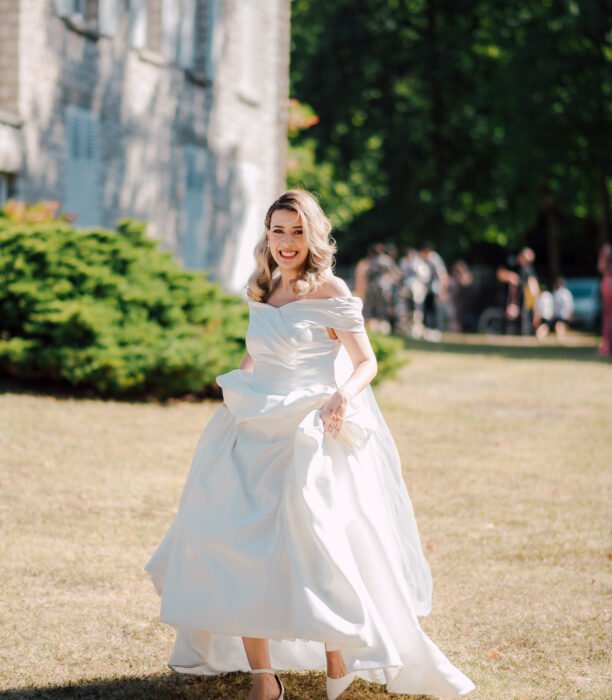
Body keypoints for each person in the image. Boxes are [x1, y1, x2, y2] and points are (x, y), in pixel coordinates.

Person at [146, 190, 475, 700]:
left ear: (313, 235)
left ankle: (337, 653)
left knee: (316, 544)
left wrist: (342, 396)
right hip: (254, 424)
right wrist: (236, 391)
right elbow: (257, 353)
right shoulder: (261, 287)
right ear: (267, 235)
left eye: (297, 231)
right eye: (277, 231)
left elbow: (366, 361)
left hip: (308, 430)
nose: (286, 242)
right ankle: (264, 679)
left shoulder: (330, 290)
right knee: (234, 545)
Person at [496, 247, 540, 335]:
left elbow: (532, 281)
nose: (526, 262)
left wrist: (535, 295)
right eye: (525, 259)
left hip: (521, 297)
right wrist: (510, 276)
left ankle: (523, 335)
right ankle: (504, 333)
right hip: (508, 296)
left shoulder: (528, 267)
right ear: (521, 255)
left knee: (524, 317)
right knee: (506, 317)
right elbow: (499, 274)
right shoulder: (510, 261)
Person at [598, 243, 612, 356]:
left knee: (607, 316)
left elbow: (601, 267)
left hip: (608, 282)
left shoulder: (606, 249)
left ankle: (606, 346)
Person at [552, 277, 574, 342]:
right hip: (562, 312)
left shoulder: (558, 293)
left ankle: (560, 337)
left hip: (562, 312)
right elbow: (569, 304)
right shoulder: (564, 292)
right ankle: (560, 337)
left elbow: (567, 304)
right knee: (560, 325)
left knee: (560, 325)